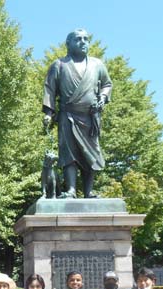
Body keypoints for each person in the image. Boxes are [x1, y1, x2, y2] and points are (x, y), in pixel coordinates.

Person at [42, 28, 112, 198]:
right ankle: (71, 190)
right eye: (78, 39)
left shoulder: (97, 64)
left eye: (86, 39)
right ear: (68, 44)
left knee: (91, 153)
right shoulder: (59, 65)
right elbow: (50, 89)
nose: (83, 42)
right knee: (69, 153)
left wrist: (102, 97)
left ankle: (89, 192)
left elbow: (107, 84)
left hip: (90, 116)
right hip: (68, 116)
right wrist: (49, 113)